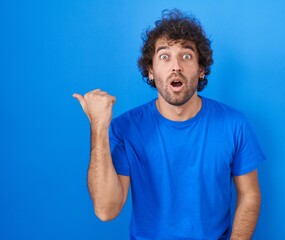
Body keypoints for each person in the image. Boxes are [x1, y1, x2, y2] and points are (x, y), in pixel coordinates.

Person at [73, 9, 265, 240]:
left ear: (201, 70)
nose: (176, 66)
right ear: (151, 71)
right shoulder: (125, 128)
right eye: (164, 56)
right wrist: (99, 126)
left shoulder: (234, 124)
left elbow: (250, 195)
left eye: (186, 56)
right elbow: (106, 210)